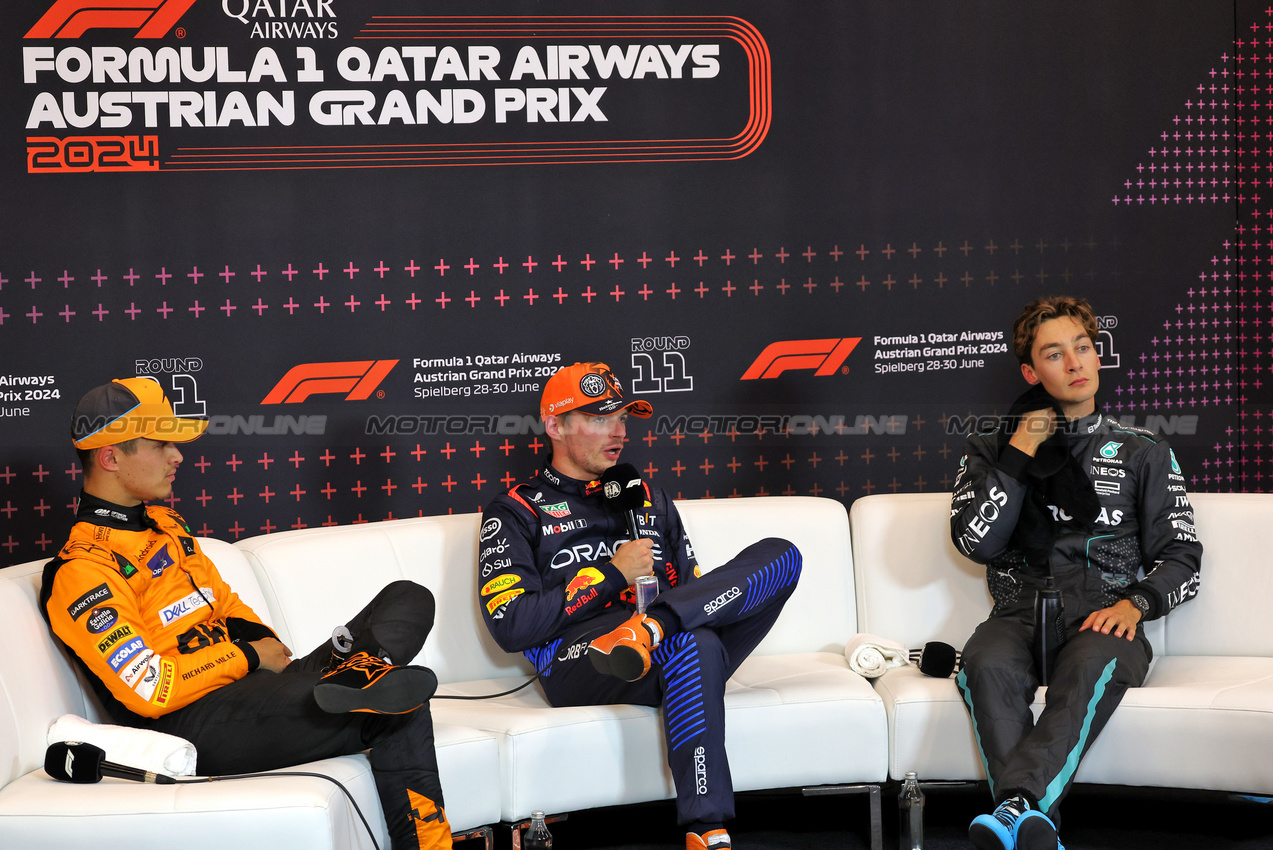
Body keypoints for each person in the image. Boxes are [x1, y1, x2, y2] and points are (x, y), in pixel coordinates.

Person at [40, 377, 451, 850]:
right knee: (397, 708)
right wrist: (250, 657)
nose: (177, 456)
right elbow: (150, 689)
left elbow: (224, 602)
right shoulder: (83, 571)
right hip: (193, 722)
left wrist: (263, 646)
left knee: (407, 595)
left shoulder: (166, 525)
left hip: (259, 688)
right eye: (160, 445)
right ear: (110, 457)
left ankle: (359, 673)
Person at [479, 362, 802, 850]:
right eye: (601, 418)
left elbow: (698, 589)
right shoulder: (516, 511)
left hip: (667, 637)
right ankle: (707, 828)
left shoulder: (649, 498)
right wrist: (612, 574)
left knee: (783, 555)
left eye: (623, 418)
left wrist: (657, 618)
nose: (619, 432)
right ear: (555, 426)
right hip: (582, 658)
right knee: (692, 642)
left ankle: (650, 630)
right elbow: (512, 625)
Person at [949, 296, 1203, 850]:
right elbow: (975, 543)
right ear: (1030, 372)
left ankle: (1016, 809)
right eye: (1055, 354)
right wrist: (1021, 449)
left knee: (1090, 663)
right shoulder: (990, 447)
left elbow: (1182, 557)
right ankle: (1035, 828)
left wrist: (1134, 604)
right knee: (982, 661)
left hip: (1104, 620)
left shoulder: (1144, 451)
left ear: (1097, 355)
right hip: (1016, 615)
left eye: (1083, 348)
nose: (1074, 363)